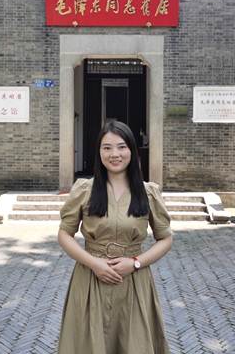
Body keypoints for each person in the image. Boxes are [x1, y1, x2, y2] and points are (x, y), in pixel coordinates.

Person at [57, 120, 173, 354]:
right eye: (107, 147)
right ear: (99, 152)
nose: (115, 154)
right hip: (90, 281)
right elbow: (64, 234)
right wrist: (94, 264)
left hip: (133, 282)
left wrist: (135, 262)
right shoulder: (84, 190)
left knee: (135, 345)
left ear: (132, 150)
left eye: (121, 147)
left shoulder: (148, 192)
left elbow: (165, 239)